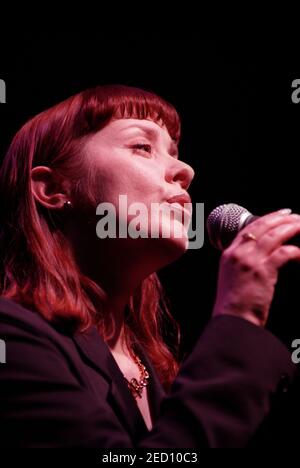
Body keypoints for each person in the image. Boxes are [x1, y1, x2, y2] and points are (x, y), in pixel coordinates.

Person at [0, 84, 298, 448]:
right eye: (143, 147)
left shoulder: (159, 370)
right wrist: (239, 318)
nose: (185, 170)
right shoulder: (10, 339)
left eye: (175, 153)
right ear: (52, 189)